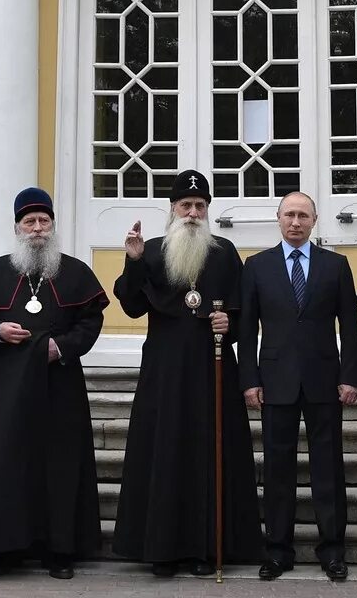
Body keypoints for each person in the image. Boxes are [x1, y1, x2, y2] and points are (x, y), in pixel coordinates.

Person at [112, 170, 264, 576]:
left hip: (211, 367)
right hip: (164, 369)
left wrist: (226, 322)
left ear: (207, 210)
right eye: (186, 206)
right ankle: (161, 550)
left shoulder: (225, 251)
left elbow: (242, 312)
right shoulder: (153, 250)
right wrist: (133, 260)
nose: (193, 213)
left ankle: (204, 549)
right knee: (165, 451)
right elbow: (130, 306)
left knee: (207, 453)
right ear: (173, 209)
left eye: (200, 206)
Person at [0, 188, 108, 578]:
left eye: (44, 221)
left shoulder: (74, 272)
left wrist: (63, 347)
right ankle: (5, 547)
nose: (37, 229)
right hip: (5, 386)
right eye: (29, 222)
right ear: (17, 228)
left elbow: (91, 321)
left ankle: (60, 550)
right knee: (4, 463)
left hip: (60, 383)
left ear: (53, 225)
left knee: (60, 464)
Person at [238, 192, 357, 580]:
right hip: (275, 382)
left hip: (325, 380)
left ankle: (333, 552)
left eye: (302, 215)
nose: (295, 221)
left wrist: (350, 376)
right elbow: (246, 329)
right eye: (289, 215)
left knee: (328, 469)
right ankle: (277, 551)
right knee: (277, 471)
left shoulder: (336, 265)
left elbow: (350, 327)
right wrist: (249, 380)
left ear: (315, 220)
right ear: (278, 219)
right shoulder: (256, 266)